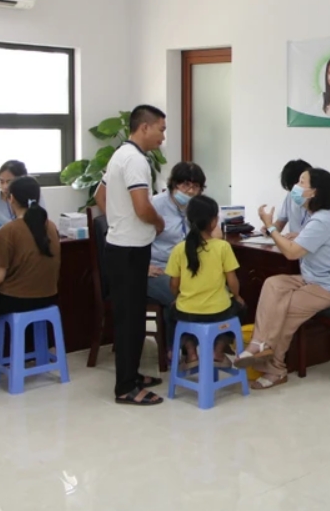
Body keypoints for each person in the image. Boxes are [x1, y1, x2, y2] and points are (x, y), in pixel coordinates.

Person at [235, 167, 330, 390]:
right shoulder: (318, 216)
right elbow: (314, 240)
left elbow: (291, 253)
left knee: (285, 308)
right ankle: (259, 344)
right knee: (273, 284)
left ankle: (276, 369)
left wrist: (270, 226)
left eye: (301, 183)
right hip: (312, 278)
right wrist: (299, 235)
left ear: (314, 192)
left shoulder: (323, 220)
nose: (295, 188)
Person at [95, 105, 167, 406]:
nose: (163, 137)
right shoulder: (136, 160)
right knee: (130, 321)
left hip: (122, 246)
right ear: (145, 127)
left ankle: (132, 375)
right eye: (161, 129)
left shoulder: (120, 155)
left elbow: (100, 196)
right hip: (129, 251)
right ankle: (126, 387)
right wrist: (158, 223)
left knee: (133, 317)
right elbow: (142, 207)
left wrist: (117, 221)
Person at [0, 177, 60, 389]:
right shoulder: (51, 227)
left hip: (17, 299)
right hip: (49, 297)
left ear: (11, 199)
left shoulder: (8, 231)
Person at [165, 194, 245, 368]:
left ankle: (191, 353)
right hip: (219, 311)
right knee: (241, 310)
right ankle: (218, 352)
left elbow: (173, 284)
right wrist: (237, 296)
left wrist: (178, 298)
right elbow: (232, 281)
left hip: (187, 310)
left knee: (172, 315)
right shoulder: (223, 246)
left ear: (189, 220)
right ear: (214, 221)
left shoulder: (179, 249)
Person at [147, 161, 207, 354]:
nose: (190, 191)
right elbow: (134, 239)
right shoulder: (154, 205)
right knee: (181, 295)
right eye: (185, 185)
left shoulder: (197, 207)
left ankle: (187, 347)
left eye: (195, 186)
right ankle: (184, 348)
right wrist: (143, 266)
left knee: (212, 291)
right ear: (173, 184)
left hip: (186, 268)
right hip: (156, 268)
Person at [0, 160, 45, 240]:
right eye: (1, 181)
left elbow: (42, 225)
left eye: (9, 182)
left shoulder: (34, 197)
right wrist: (5, 235)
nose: (5, 186)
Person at [271, 159, 311, 238]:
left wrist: (301, 237)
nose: (294, 191)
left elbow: (324, 235)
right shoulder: (291, 195)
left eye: (301, 183)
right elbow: (279, 224)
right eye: (291, 188)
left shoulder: (324, 203)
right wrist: (269, 229)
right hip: (293, 243)